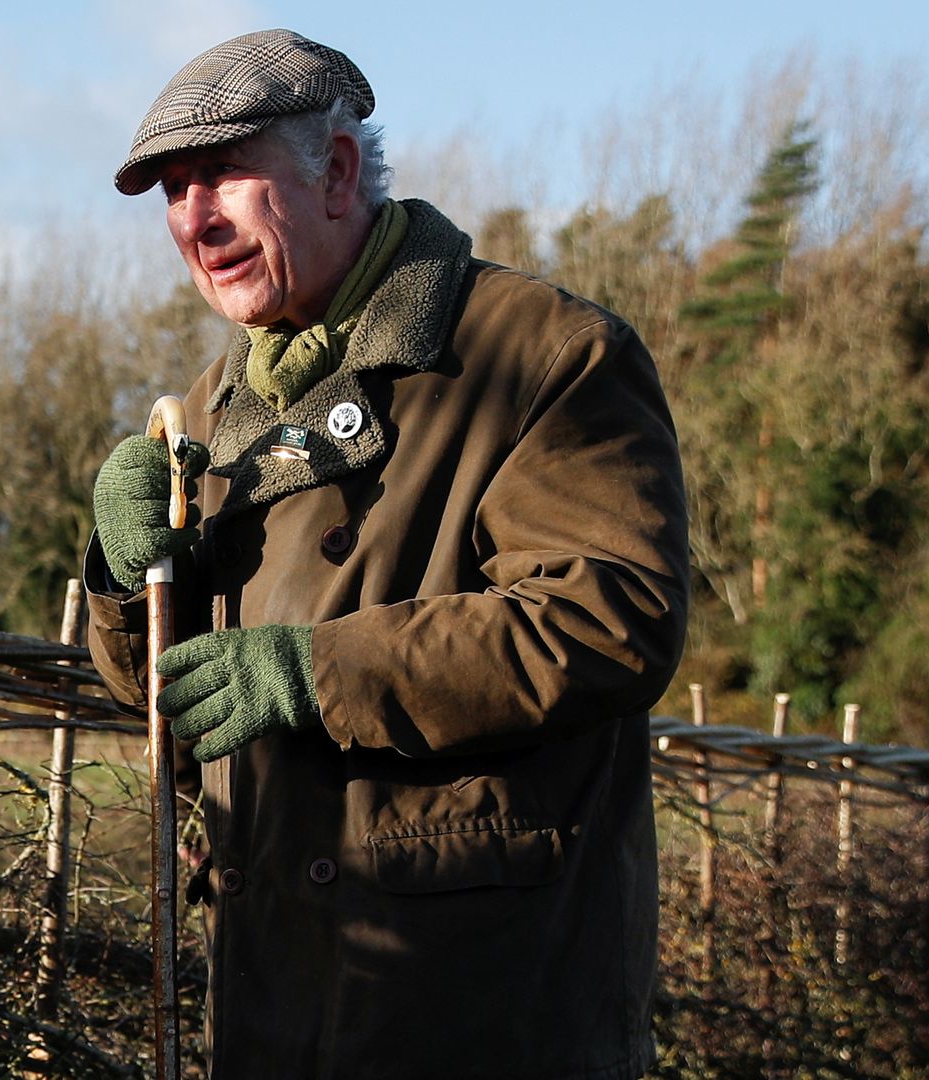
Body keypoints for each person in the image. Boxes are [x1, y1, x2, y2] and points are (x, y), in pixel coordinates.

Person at [84, 30, 688, 1079]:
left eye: (224, 172)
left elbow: (607, 616)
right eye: (173, 191)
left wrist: (315, 672)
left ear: (338, 171)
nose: (193, 218)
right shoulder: (216, 412)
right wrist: (127, 576)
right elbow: (177, 709)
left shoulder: (535, 352)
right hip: (271, 1002)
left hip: (476, 1007)